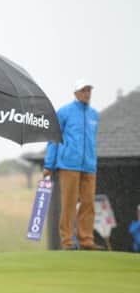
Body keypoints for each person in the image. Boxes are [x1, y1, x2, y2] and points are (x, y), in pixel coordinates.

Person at [43, 79, 103, 251]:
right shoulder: (64, 112)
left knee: (88, 203)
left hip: (89, 166)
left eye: (89, 90)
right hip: (68, 164)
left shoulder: (94, 115)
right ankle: (67, 241)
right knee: (69, 203)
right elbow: (54, 139)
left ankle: (86, 240)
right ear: (76, 93)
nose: (87, 93)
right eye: (83, 90)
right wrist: (49, 165)